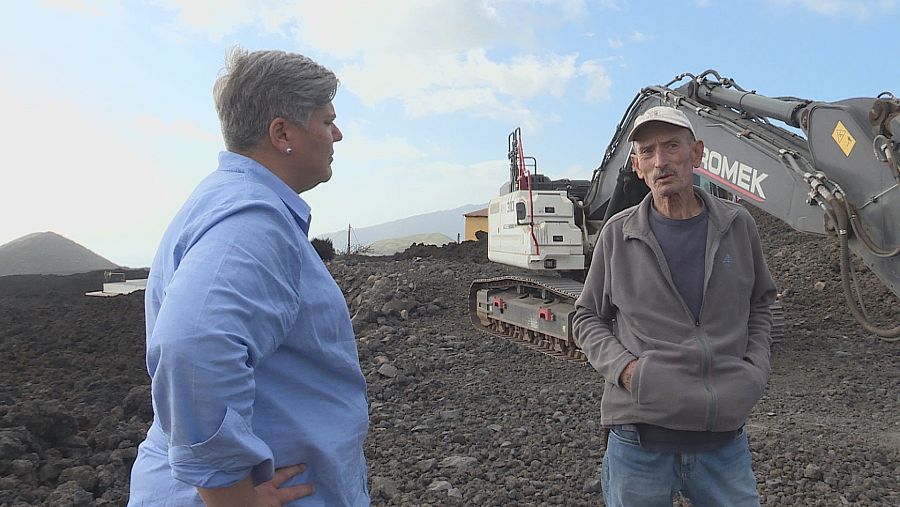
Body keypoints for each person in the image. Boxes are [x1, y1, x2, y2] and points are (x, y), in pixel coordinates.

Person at [128, 48, 369, 506]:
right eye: (326, 121)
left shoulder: (225, 201)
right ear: (282, 133)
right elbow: (192, 343)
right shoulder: (251, 219)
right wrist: (234, 499)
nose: (337, 134)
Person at [573, 106, 776, 506]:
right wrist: (629, 372)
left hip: (723, 441)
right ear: (636, 165)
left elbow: (761, 305)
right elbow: (586, 317)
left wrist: (755, 369)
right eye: (647, 151)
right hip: (639, 440)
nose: (661, 161)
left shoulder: (738, 225)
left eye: (671, 146)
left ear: (697, 153)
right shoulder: (618, 234)